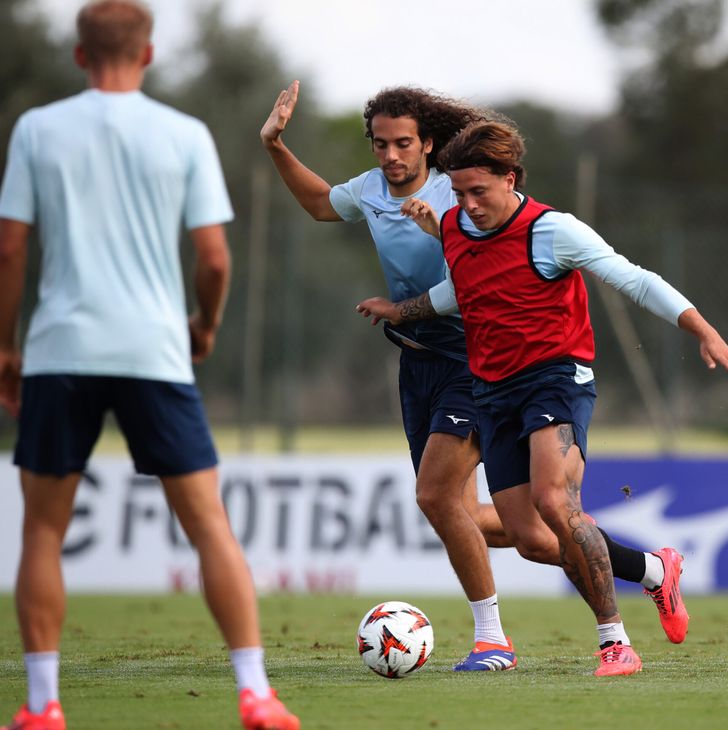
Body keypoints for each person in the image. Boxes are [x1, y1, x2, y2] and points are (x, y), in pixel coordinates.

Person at [260, 84, 689, 670]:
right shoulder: (368, 190)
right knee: (524, 533)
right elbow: (317, 204)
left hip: (476, 359)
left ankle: (496, 639)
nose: (390, 156)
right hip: (417, 362)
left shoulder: (459, 189)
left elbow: (492, 264)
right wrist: (275, 145)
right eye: (380, 144)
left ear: (428, 144)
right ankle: (651, 568)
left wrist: (408, 296)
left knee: (437, 495)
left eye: (403, 143)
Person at [0, 2, 299, 729]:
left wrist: (6, 345)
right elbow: (215, 259)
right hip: (155, 352)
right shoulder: (183, 134)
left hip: (61, 351)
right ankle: (255, 694)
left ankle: (42, 707)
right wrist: (203, 326)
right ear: (150, 54)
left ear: (78, 56)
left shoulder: (37, 128)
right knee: (208, 526)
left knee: (42, 532)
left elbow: (9, 249)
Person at [358, 121, 728, 676]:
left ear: (510, 179)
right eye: (460, 193)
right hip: (491, 392)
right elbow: (458, 291)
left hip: (555, 378)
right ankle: (656, 571)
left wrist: (702, 328)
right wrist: (404, 310)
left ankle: (615, 643)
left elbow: (634, 279)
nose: (468, 205)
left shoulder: (551, 230)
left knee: (553, 500)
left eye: (479, 193)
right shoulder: (454, 227)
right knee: (533, 539)